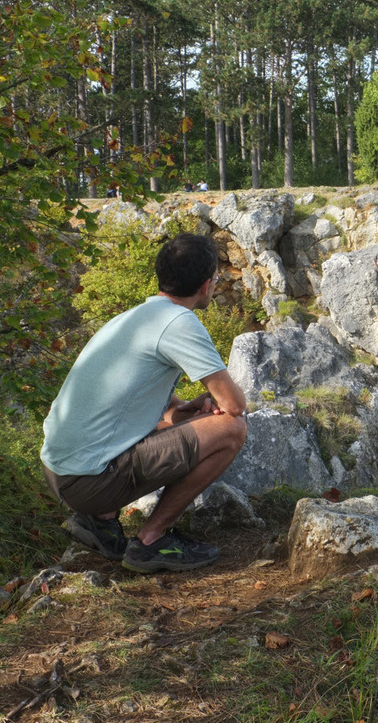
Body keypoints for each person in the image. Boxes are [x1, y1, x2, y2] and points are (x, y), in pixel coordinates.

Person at [40, 234, 247, 573]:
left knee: (179, 422)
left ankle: (100, 523)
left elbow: (130, 401)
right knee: (231, 429)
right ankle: (153, 539)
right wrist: (214, 408)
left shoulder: (134, 317)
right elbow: (234, 405)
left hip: (60, 472)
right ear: (207, 285)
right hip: (88, 482)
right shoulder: (180, 322)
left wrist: (181, 410)